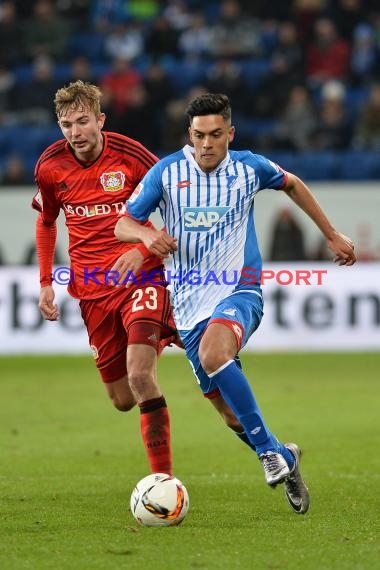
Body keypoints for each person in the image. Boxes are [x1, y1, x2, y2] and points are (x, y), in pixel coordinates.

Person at [114, 93, 357, 515]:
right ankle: (284, 454)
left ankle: (268, 453)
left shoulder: (249, 168)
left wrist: (331, 234)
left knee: (214, 353)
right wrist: (145, 237)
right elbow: (123, 222)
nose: (206, 144)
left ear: (230, 133)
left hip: (239, 290)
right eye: (197, 136)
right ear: (189, 135)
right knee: (230, 416)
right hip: (188, 307)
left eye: (214, 135)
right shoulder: (167, 172)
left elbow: (293, 184)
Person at [31, 80, 179, 477]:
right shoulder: (50, 166)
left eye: (82, 122)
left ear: (101, 119)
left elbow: (177, 212)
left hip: (141, 279)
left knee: (140, 374)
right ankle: (169, 332)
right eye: (66, 125)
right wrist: (46, 281)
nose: (75, 133)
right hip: (93, 291)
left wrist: (144, 248)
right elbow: (46, 222)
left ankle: (162, 482)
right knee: (121, 399)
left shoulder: (132, 156)